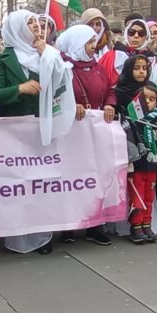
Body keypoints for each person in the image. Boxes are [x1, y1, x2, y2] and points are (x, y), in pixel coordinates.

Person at [0, 10, 56, 255]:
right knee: (19, 186)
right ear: (17, 28)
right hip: (15, 132)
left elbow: (62, 84)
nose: (36, 26)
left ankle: (43, 235)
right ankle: (20, 236)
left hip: (43, 129)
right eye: (30, 22)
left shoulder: (47, 53)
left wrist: (47, 57)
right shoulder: (4, 59)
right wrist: (20, 88)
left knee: (43, 183)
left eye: (38, 22)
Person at [55, 24, 115, 246]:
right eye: (88, 43)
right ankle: (69, 226)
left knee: (95, 176)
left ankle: (94, 224)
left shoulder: (97, 67)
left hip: (96, 131)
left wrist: (109, 104)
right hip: (73, 134)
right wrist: (72, 106)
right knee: (73, 178)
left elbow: (110, 89)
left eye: (93, 42)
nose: (93, 47)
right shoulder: (63, 68)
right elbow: (56, 95)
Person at [120, 84, 157, 243]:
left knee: (149, 196)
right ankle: (136, 226)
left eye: (152, 99)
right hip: (137, 167)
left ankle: (146, 223)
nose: (148, 102)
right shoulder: (130, 120)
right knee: (137, 198)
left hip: (152, 166)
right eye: (144, 99)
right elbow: (127, 145)